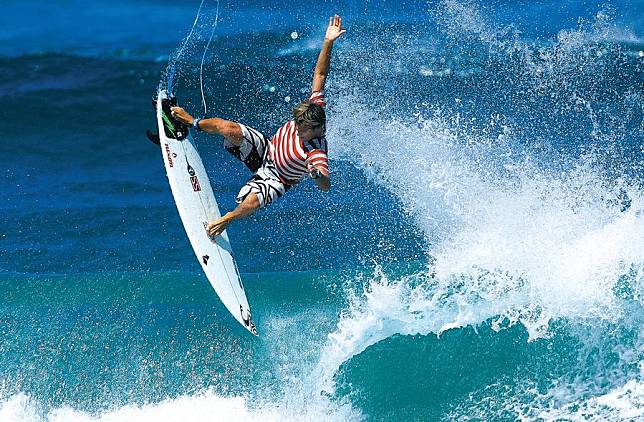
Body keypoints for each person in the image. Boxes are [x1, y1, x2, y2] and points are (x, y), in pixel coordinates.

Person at [170, 15, 346, 237]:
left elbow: (325, 185)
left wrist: (316, 175)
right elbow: (320, 73)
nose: (297, 130)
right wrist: (328, 42)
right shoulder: (315, 106)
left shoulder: (316, 150)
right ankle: (191, 121)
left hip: (278, 177)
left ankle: (227, 219)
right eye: (296, 125)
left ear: (315, 129)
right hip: (266, 148)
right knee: (229, 128)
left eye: (301, 129)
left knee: (252, 201)